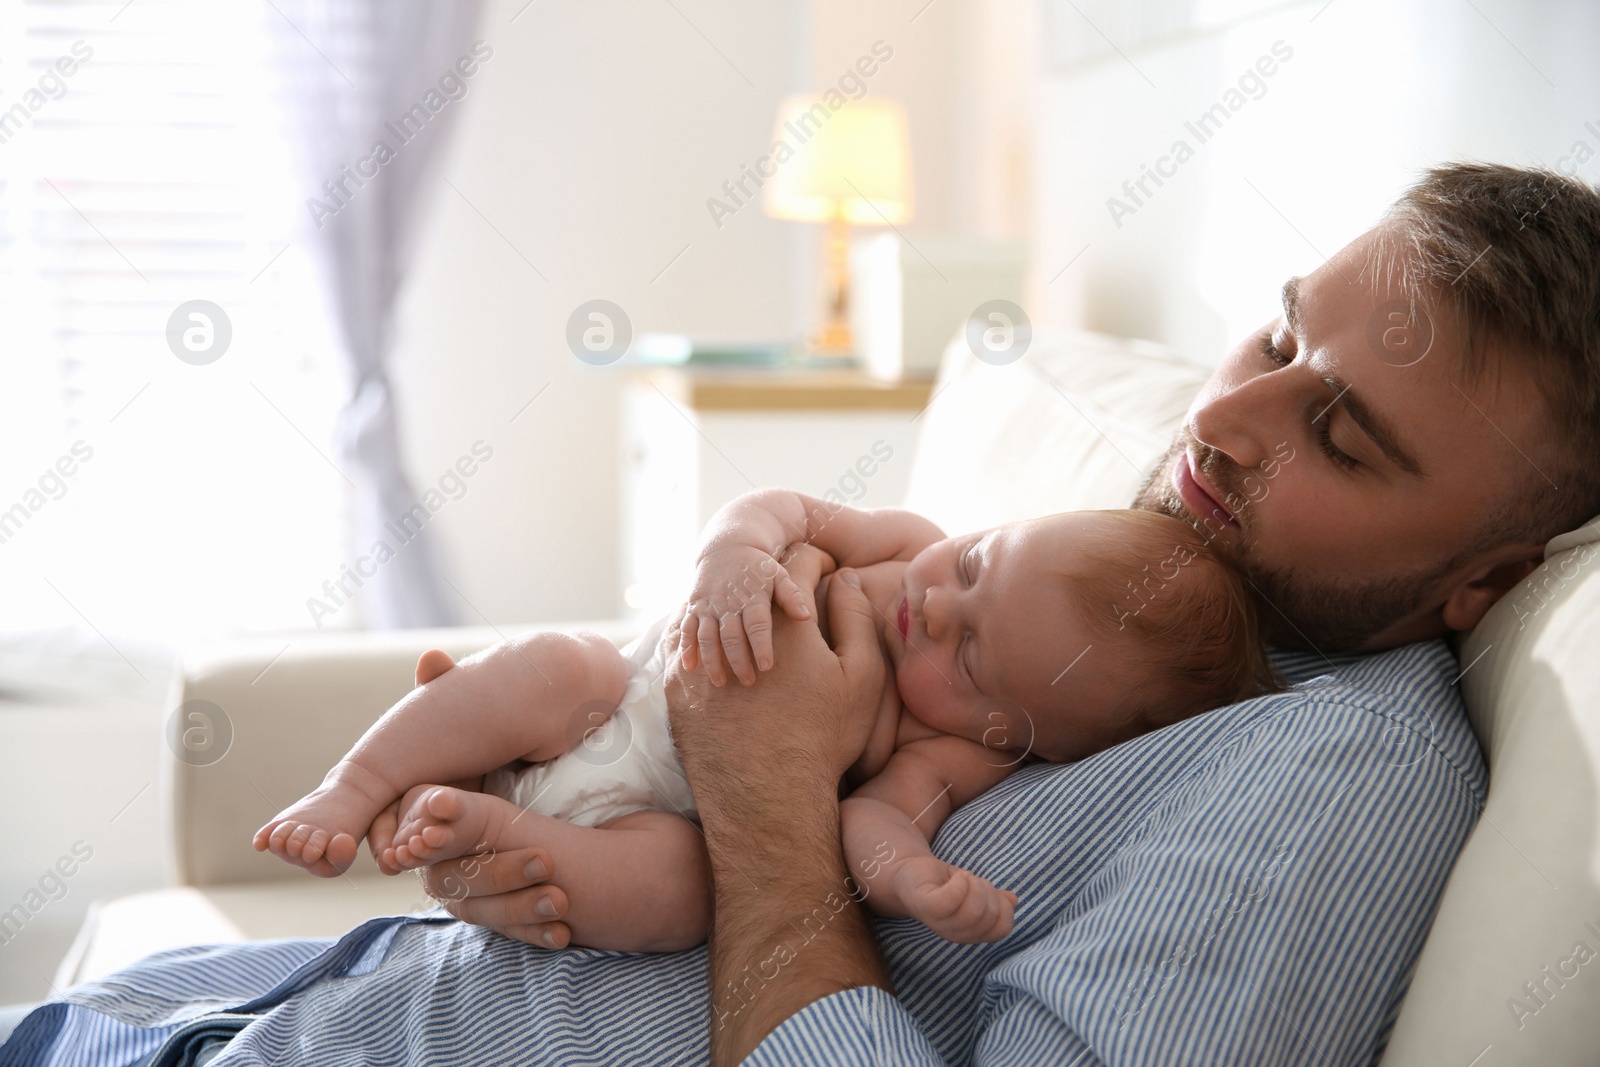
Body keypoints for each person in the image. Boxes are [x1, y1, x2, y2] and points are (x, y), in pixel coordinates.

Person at [4, 163, 1597, 1067]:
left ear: (1477, 581)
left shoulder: (1335, 773)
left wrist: (762, 795)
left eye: (1346, 437)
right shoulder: (1115, 561)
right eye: (1276, 338)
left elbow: (779, 774)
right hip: (265, 1006)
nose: (1231, 423)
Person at [254, 504, 1273, 950]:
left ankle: (502, 837)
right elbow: (777, 506)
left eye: (967, 657)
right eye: (974, 566)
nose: (937, 604)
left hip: (661, 815)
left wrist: (911, 879)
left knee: (686, 887)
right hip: (611, 700)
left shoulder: (948, 752)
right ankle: (353, 783)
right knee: (560, 664)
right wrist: (732, 553)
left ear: (1013, 733)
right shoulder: (906, 542)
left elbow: (879, 823)